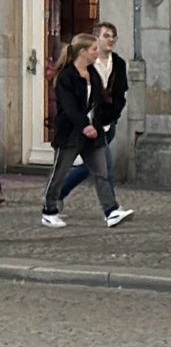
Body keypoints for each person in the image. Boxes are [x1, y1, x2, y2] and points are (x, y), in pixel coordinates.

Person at [40, 34, 127, 228]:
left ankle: (111, 210)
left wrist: (102, 122)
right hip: (71, 132)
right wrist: (84, 126)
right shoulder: (66, 76)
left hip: (93, 133)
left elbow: (98, 103)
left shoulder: (93, 74)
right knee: (60, 172)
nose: (97, 53)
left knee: (101, 171)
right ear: (82, 52)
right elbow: (69, 107)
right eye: (94, 49)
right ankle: (49, 210)